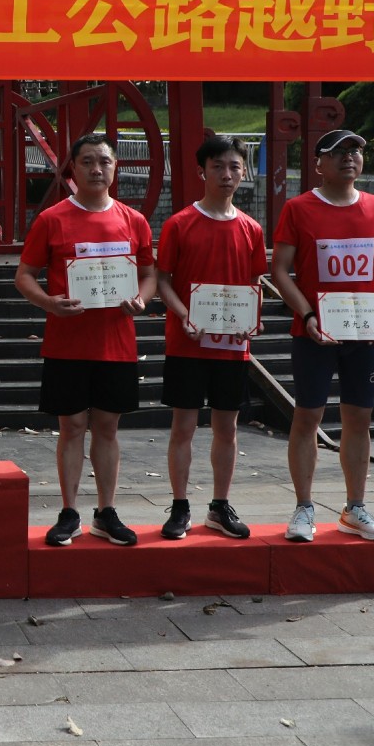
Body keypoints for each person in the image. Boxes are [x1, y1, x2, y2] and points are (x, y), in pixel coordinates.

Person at [16, 134, 155, 546]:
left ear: (115, 167)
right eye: (88, 161)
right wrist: (49, 303)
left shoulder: (134, 220)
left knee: (108, 428)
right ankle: (69, 512)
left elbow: (149, 274)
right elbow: (24, 275)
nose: (97, 169)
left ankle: (106, 512)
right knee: (72, 426)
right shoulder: (53, 219)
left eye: (104, 161)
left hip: (116, 341)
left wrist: (141, 300)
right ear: (72, 169)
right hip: (68, 342)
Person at [271, 129, 374, 542]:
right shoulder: (298, 208)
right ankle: (303, 507)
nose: (349, 158)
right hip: (315, 332)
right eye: (338, 152)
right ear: (318, 164)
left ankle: (355, 507)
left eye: (355, 151)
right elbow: (279, 271)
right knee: (308, 415)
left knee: (359, 417)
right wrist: (307, 313)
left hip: (364, 333)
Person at [154, 135, 267, 540]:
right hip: (187, 341)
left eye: (234, 166)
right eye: (218, 166)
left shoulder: (251, 229)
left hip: (232, 345)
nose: (227, 174)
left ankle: (220, 505)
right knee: (183, 426)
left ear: (243, 172)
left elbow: (254, 283)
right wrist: (183, 313)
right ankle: (179, 506)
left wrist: (254, 318)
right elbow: (162, 281)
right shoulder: (180, 223)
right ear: (202, 171)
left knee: (228, 427)